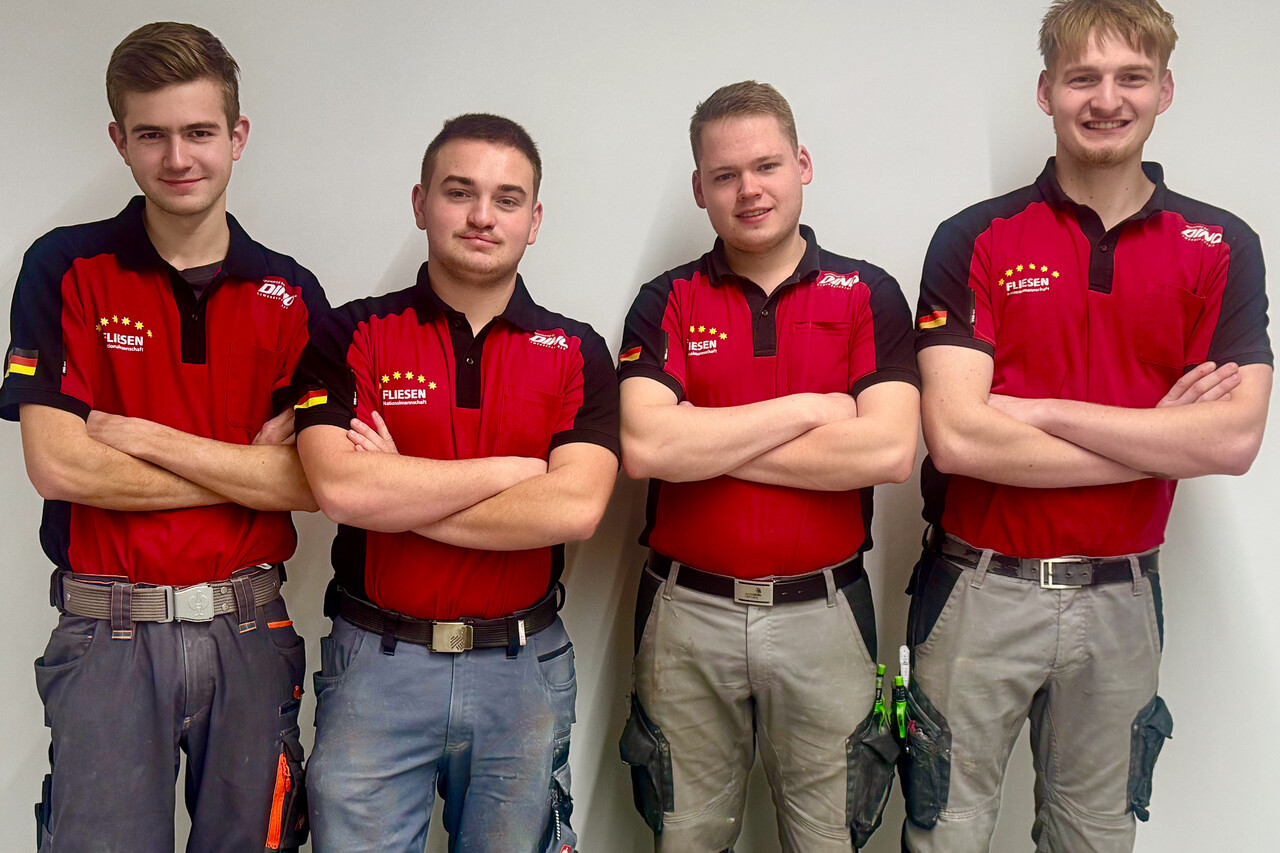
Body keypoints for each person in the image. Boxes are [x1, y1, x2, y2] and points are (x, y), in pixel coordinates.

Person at [903, 1, 1272, 851]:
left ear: (1165, 90)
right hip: (978, 588)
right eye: (1083, 79)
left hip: (1122, 598)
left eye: (1131, 77)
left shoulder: (1222, 245)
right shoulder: (974, 237)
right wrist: (1157, 440)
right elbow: (959, 438)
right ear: (1046, 92)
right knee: (944, 832)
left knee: (1095, 838)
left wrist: (1037, 409)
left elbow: (1231, 441)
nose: (1107, 99)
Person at [0, 21, 328, 853]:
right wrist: (248, 469)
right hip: (107, 631)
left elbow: (315, 481)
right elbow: (58, 464)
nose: (178, 158)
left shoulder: (292, 293)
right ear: (119, 140)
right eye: (151, 135)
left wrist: (142, 436)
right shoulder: (63, 269)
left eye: (199, 132)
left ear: (237, 136)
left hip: (249, 630)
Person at [293, 113, 619, 853]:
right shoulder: (349, 333)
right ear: (421, 204)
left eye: (507, 199)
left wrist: (397, 489)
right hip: (377, 667)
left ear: (534, 220)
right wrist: (513, 474)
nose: (482, 216)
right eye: (459, 191)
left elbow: (575, 506)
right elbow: (342, 491)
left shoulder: (577, 351)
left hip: (522, 669)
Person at [616, 81, 920, 852]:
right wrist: (812, 407)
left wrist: (705, 441)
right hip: (688, 613)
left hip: (825, 614)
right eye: (725, 175)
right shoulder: (665, 300)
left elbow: (887, 451)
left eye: (766, 166)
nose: (748, 189)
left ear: (802, 164)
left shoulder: (869, 294)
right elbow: (647, 449)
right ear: (700, 189)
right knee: (686, 838)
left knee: (828, 841)